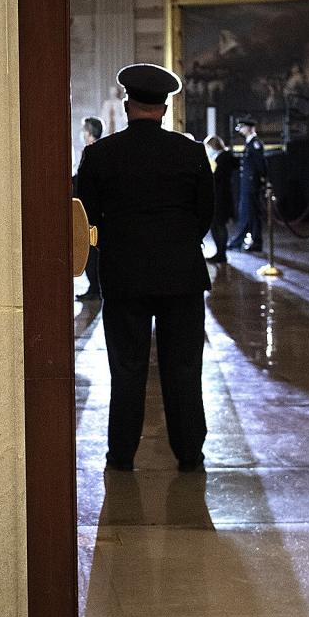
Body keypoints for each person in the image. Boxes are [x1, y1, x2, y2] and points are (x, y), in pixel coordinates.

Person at [77, 63, 214, 472]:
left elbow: (87, 216)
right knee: (184, 368)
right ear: (166, 107)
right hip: (181, 277)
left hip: (124, 276)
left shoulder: (99, 154)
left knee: (126, 369)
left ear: (127, 102)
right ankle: (189, 454)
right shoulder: (191, 152)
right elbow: (205, 214)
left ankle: (121, 455)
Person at [226, 117, 267, 252]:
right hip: (248, 183)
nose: (241, 130)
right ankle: (255, 240)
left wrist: (261, 180)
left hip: (251, 183)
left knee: (249, 212)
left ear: (249, 128)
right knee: (252, 213)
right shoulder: (250, 143)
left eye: (242, 127)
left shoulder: (255, 144)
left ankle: (242, 241)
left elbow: (260, 165)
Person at [74, 116, 104, 300]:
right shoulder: (102, 150)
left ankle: (95, 287)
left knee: (91, 250)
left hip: (90, 208)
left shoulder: (91, 151)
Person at [204, 135, 236, 264]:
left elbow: (217, 177)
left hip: (221, 197)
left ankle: (221, 253)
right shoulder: (224, 157)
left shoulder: (222, 159)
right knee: (217, 225)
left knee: (218, 225)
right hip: (221, 196)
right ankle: (220, 252)